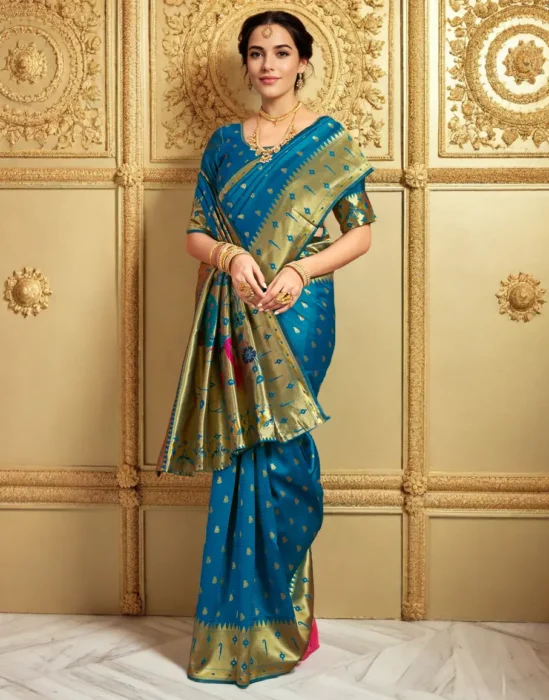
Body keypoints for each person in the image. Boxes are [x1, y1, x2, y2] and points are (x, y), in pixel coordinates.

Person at [156, 9, 377, 688]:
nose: (268, 64)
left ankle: (286, 617)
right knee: (239, 449)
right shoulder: (224, 144)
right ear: (246, 63)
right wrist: (229, 257)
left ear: (303, 61)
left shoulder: (328, 140)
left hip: (300, 310)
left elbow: (361, 232)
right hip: (234, 308)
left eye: (281, 52)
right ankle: (236, 628)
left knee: (281, 449)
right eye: (256, 53)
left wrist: (300, 271)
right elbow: (196, 233)